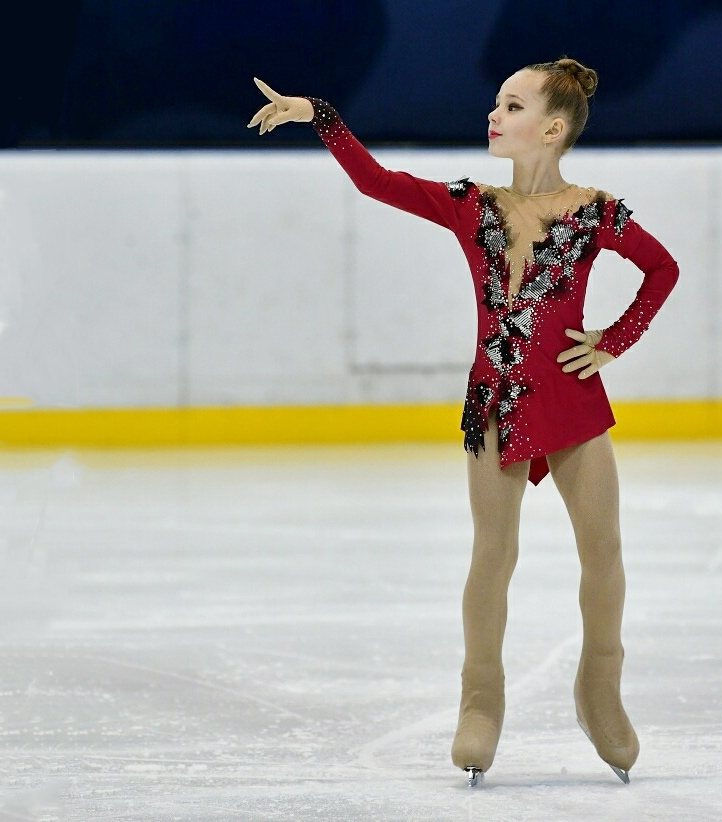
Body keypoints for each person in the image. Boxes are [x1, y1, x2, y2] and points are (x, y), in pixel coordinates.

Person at [247, 57, 680, 787]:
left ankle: (599, 689)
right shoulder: (469, 203)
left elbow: (662, 270)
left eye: (511, 106)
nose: (493, 115)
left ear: (550, 127)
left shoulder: (596, 211)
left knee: (603, 551)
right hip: (496, 404)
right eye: (496, 103)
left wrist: (613, 340)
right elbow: (376, 182)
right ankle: (480, 701)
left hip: (573, 405)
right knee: (493, 554)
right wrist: (319, 114)